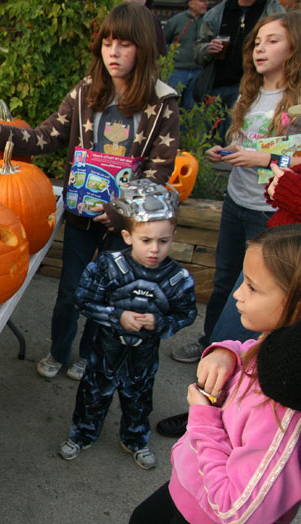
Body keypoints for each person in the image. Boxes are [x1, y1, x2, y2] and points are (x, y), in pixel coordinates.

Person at [0, 2, 180, 381]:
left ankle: (89, 354)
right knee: (70, 289)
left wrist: (123, 212)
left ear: (144, 48)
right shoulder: (86, 93)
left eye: (124, 44)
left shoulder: (161, 104)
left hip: (125, 225)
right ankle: (58, 351)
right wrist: (1, 131)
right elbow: (44, 136)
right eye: (107, 43)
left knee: (109, 293)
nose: (113, 53)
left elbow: (158, 172)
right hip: (82, 217)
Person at [130, 224, 301, 524]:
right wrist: (226, 352)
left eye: (252, 286)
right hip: (189, 488)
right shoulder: (277, 344)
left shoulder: (283, 415)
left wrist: (203, 419)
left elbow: (234, 510)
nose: (238, 293)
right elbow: (250, 349)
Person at [172, 11, 301, 365]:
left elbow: (295, 160)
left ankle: (238, 365)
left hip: (270, 213)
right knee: (225, 280)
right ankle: (210, 345)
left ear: (295, 48)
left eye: (272, 41)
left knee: (255, 295)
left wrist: (263, 159)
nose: (260, 49)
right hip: (236, 200)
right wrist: (225, 155)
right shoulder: (252, 92)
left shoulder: (297, 104)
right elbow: (246, 145)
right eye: (257, 42)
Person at [57, 181, 196, 470]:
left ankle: (135, 440)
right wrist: (116, 316)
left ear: (173, 237)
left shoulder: (177, 278)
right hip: (104, 349)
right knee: (93, 393)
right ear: (127, 235)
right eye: (146, 240)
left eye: (164, 240)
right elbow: (82, 300)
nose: (155, 249)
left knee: (139, 399)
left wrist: (160, 322)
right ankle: (82, 434)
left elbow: (187, 313)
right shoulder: (108, 266)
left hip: (144, 356)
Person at [192, 0, 284, 138]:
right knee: (206, 139)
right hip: (216, 85)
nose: (260, 47)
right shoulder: (216, 13)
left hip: (252, 87)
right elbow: (197, 52)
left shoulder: (273, 11)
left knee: (239, 137)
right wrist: (208, 48)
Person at [163, 0, 209, 109]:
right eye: (202, 1)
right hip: (177, 71)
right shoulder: (176, 21)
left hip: (199, 71)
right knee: (172, 107)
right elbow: (163, 42)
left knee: (190, 109)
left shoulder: (208, 20)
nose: (206, 3)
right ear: (191, 3)